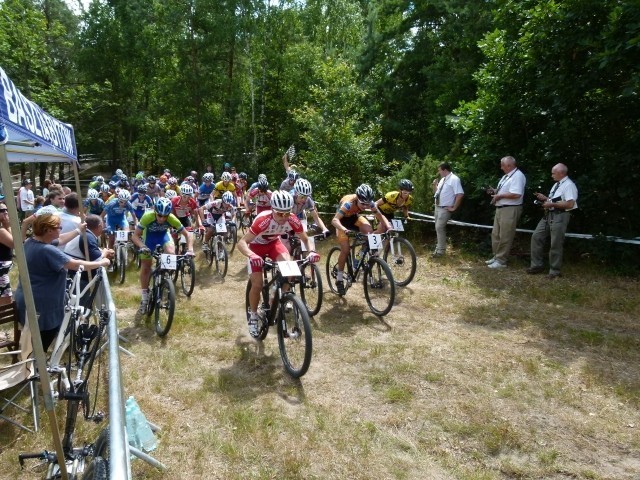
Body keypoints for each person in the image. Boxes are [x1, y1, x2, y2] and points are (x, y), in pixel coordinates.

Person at [14, 213, 110, 351]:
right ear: (48, 230)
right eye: (59, 227)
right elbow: (75, 264)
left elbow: (61, 240)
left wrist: (78, 230)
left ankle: (34, 365)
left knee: (33, 341)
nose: (61, 229)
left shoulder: (31, 242)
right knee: (40, 345)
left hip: (28, 299)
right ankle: (36, 368)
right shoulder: (47, 250)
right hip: (43, 305)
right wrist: (101, 262)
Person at [237, 190, 319, 337]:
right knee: (257, 284)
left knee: (291, 270)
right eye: (280, 213)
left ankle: (276, 295)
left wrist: (311, 252)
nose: (284, 217)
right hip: (255, 247)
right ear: (272, 210)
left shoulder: (292, 219)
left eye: (287, 213)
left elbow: (306, 239)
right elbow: (242, 242)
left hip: (274, 244)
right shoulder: (263, 220)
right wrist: (251, 255)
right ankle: (254, 316)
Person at [131, 197, 193, 313]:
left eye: (165, 216)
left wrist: (190, 249)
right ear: (155, 212)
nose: (162, 218)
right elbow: (135, 236)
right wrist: (142, 247)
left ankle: (164, 280)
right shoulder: (147, 217)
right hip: (149, 237)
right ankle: (144, 298)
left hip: (163, 235)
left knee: (171, 253)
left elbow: (188, 234)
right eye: (159, 215)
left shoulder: (172, 218)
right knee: (146, 268)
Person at [331, 184, 392, 295]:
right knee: (345, 250)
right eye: (362, 204)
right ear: (357, 199)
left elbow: (380, 216)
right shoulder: (348, 204)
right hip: (342, 223)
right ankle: (339, 279)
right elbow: (334, 220)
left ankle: (358, 259)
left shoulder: (370, 203)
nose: (365, 206)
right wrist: (344, 230)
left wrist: (388, 226)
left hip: (354, 218)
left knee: (369, 232)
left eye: (367, 204)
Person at [527, 163, 578, 279]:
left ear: (561, 173)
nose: (552, 175)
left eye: (553, 173)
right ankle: (537, 265)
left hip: (560, 215)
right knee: (536, 237)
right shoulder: (557, 185)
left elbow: (570, 203)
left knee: (555, 242)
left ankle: (554, 271)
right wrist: (545, 199)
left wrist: (551, 204)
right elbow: (556, 200)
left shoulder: (569, 185)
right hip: (548, 214)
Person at [64, 214, 115, 308]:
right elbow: (98, 259)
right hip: (79, 277)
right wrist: (104, 253)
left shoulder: (86, 234)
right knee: (80, 307)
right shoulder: (87, 237)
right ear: (100, 225)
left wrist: (104, 251)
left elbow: (91, 251)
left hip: (74, 273)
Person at [485, 156, 526, 269]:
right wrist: (494, 191)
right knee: (496, 234)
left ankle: (501, 261)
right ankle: (496, 256)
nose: (501, 167)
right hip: (501, 208)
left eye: (502, 165)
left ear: (509, 165)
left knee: (505, 235)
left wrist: (500, 195)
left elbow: (516, 194)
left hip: (510, 209)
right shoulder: (506, 177)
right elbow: (505, 191)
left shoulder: (518, 176)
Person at [431, 165, 464, 257]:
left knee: (439, 227)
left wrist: (454, 207)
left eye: (439, 170)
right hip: (438, 207)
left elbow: (460, 194)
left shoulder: (454, 179)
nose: (439, 172)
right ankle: (438, 248)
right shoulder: (443, 179)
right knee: (437, 227)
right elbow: (437, 193)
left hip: (445, 208)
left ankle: (441, 251)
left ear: (445, 170)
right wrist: (434, 186)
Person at [0, 202, 14, 306]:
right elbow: (15, 244)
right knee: (6, 300)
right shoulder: (1, 231)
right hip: (1, 270)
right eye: (1, 210)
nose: (5, 212)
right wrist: (8, 226)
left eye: (6, 209)